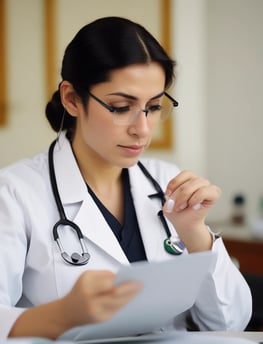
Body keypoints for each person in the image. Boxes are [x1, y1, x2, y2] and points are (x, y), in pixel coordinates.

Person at [0, 16, 252, 341]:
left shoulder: (168, 181)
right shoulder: (13, 193)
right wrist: (61, 316)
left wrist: (195, 234)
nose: (142, 129)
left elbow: (230, 323)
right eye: (121, 107)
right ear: (72, 99)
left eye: (154, 106)